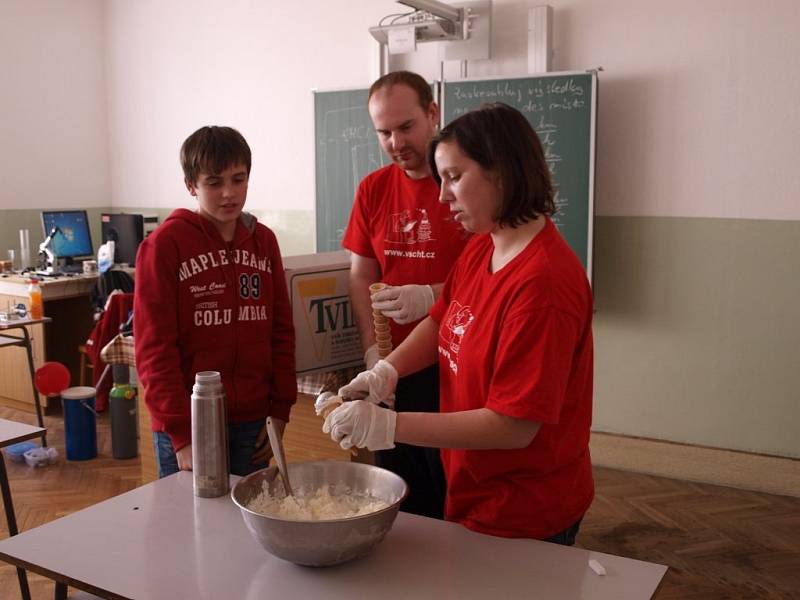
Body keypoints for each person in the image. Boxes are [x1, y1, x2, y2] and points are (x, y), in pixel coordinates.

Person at [323, 103, 594, 544]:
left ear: (502, 172)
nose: (443, 196)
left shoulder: (543, 284)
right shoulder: (483, 245)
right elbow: (442, 318)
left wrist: (388, 426)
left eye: (453, 177)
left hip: (525, 506)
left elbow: (513, 426)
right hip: (473, 485)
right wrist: (385, 371)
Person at [339, 71, 471, 519]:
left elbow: (491, 276)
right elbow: (361, 275)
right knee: (399, 481)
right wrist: (373, 350)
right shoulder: (373, 189)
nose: (395, 141)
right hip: (393, 367)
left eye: (406, 127)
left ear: (432, 114)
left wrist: (433, 295)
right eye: (383, 132)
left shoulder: (465, 185)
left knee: (451, 481)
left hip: (457, 363)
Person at [134, 126, 296, 478]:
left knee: (247, 525)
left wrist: (281, 409)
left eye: (238, 180)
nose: (228, 193)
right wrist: (180, 433)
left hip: (253, 421)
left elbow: (281, 331)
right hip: (189, 423)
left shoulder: (264, 241)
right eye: (214, 182)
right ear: (191, 185)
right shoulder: (164, 245)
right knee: (189, 526)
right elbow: (153, 348)